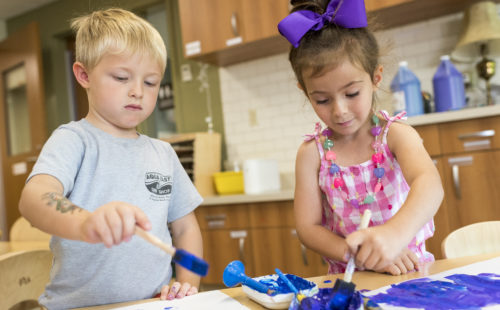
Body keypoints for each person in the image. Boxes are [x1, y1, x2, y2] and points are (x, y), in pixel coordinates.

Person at [18, 8, 204, 309]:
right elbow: (34, 198)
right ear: (84, 75)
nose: (137, 92)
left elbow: (185, 228)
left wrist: (187, 286)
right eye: (121, 77)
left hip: (151, 304)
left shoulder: (163, 154)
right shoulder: (74, 140)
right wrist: (86, 222)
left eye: (151, 82)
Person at [278, 0, 444, 276]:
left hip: (410, 274)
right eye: (321, 99)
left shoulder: (396, 136)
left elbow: (430, 185)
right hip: (350, 280)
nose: (339, 111)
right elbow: (308, 228)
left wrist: (393, 236)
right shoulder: (311, 153)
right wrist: (362, 255)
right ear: (304, 91)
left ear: (376, 77)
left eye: (351, 94)